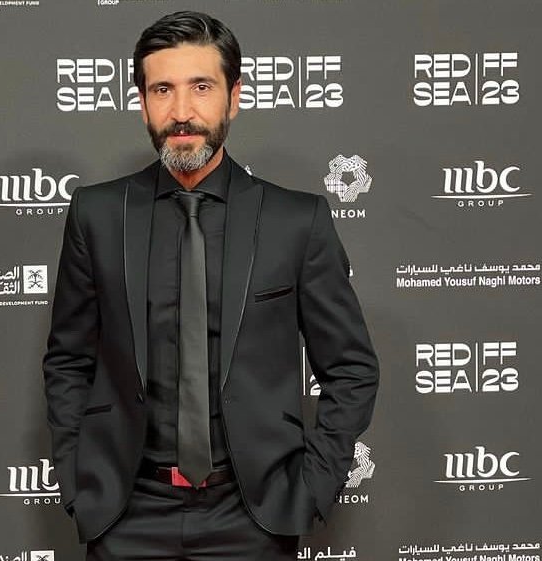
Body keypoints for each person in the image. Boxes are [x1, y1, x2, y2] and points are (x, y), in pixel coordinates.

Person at [43, 10, 379, 560]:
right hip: (126, 513)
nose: (181, 112)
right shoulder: (97, 214)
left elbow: (351, 368)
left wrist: (311, 488)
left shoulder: (296, 221)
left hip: (252, 516)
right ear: (142, 102)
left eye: (201, 87)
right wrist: (80, 481)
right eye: (162, 90)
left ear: (234, 96)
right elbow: (68, 361)